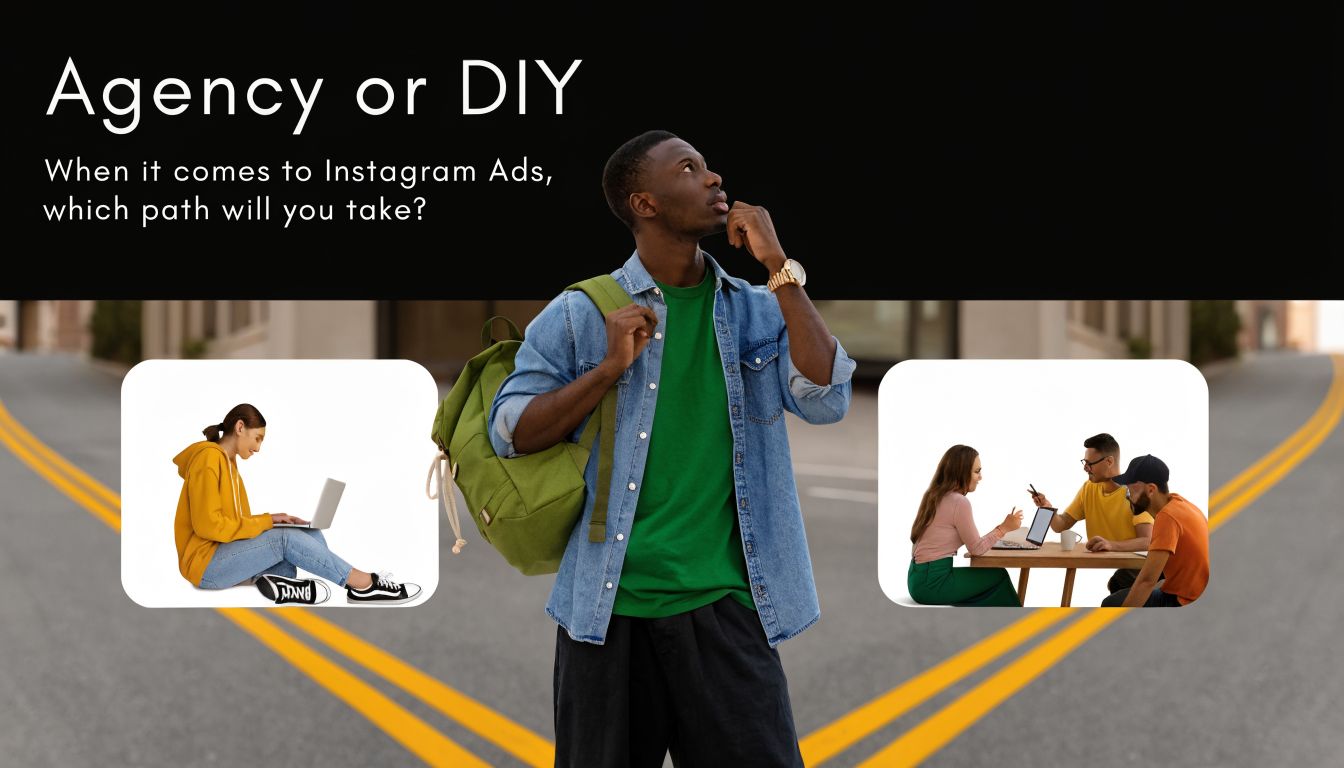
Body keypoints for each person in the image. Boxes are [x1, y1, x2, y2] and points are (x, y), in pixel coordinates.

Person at [487, 130, 854, 767]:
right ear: (645, 203)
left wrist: (780, 271)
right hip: (606, 613)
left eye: (710, 167)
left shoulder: (754, 309)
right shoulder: (580, 312)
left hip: (728, 606)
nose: (714, 179)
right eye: (690, 169)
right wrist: (605, 370)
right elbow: (510, 431)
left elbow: (827, 398)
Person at [173, 403, 421, 606]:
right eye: (257, 438)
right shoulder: (208, 460)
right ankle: (363, 584)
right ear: (240, 427)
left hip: (223, 558)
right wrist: (268, 523)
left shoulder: (228, 463)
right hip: (206, 566)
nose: (258, 448)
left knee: (307, 532)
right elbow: (209, 526)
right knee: (284, 540)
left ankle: (281, 583)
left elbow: (232, 523)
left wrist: (273, 518)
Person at [1029, 432, 1154, 594]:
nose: (1085, 468)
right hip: (1122, 565)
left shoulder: (1135, 491)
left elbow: (1148, 542)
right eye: (1084, 462)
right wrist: (1046, 506)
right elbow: (1061, 525)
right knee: (1117, 585)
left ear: (1109, 461)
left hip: (1146, 568)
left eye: (1090, 463)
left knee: (1118, 585)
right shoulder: (1089, 488)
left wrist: (1111, 545)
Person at [908, 445, 1024, 607]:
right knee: (999, 575)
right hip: (933, 583)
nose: (980, 477)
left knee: (989, 582)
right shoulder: (959, 502)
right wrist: (1004, 529)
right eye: (977, 471)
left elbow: (974, 543)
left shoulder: (933, 495)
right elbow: (976, 548)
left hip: (917, 579)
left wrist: (1003, 526)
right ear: (961, 472)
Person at [1102, 455, 1209, 607]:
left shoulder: (1167, 517)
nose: (1128, 498)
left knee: (1110, 603)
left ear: (1151, 490)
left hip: (1184, 599)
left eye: (1131, 491)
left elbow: (1147, 581)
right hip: (1197, 586)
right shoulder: (1178, 502)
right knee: (1121, 579)